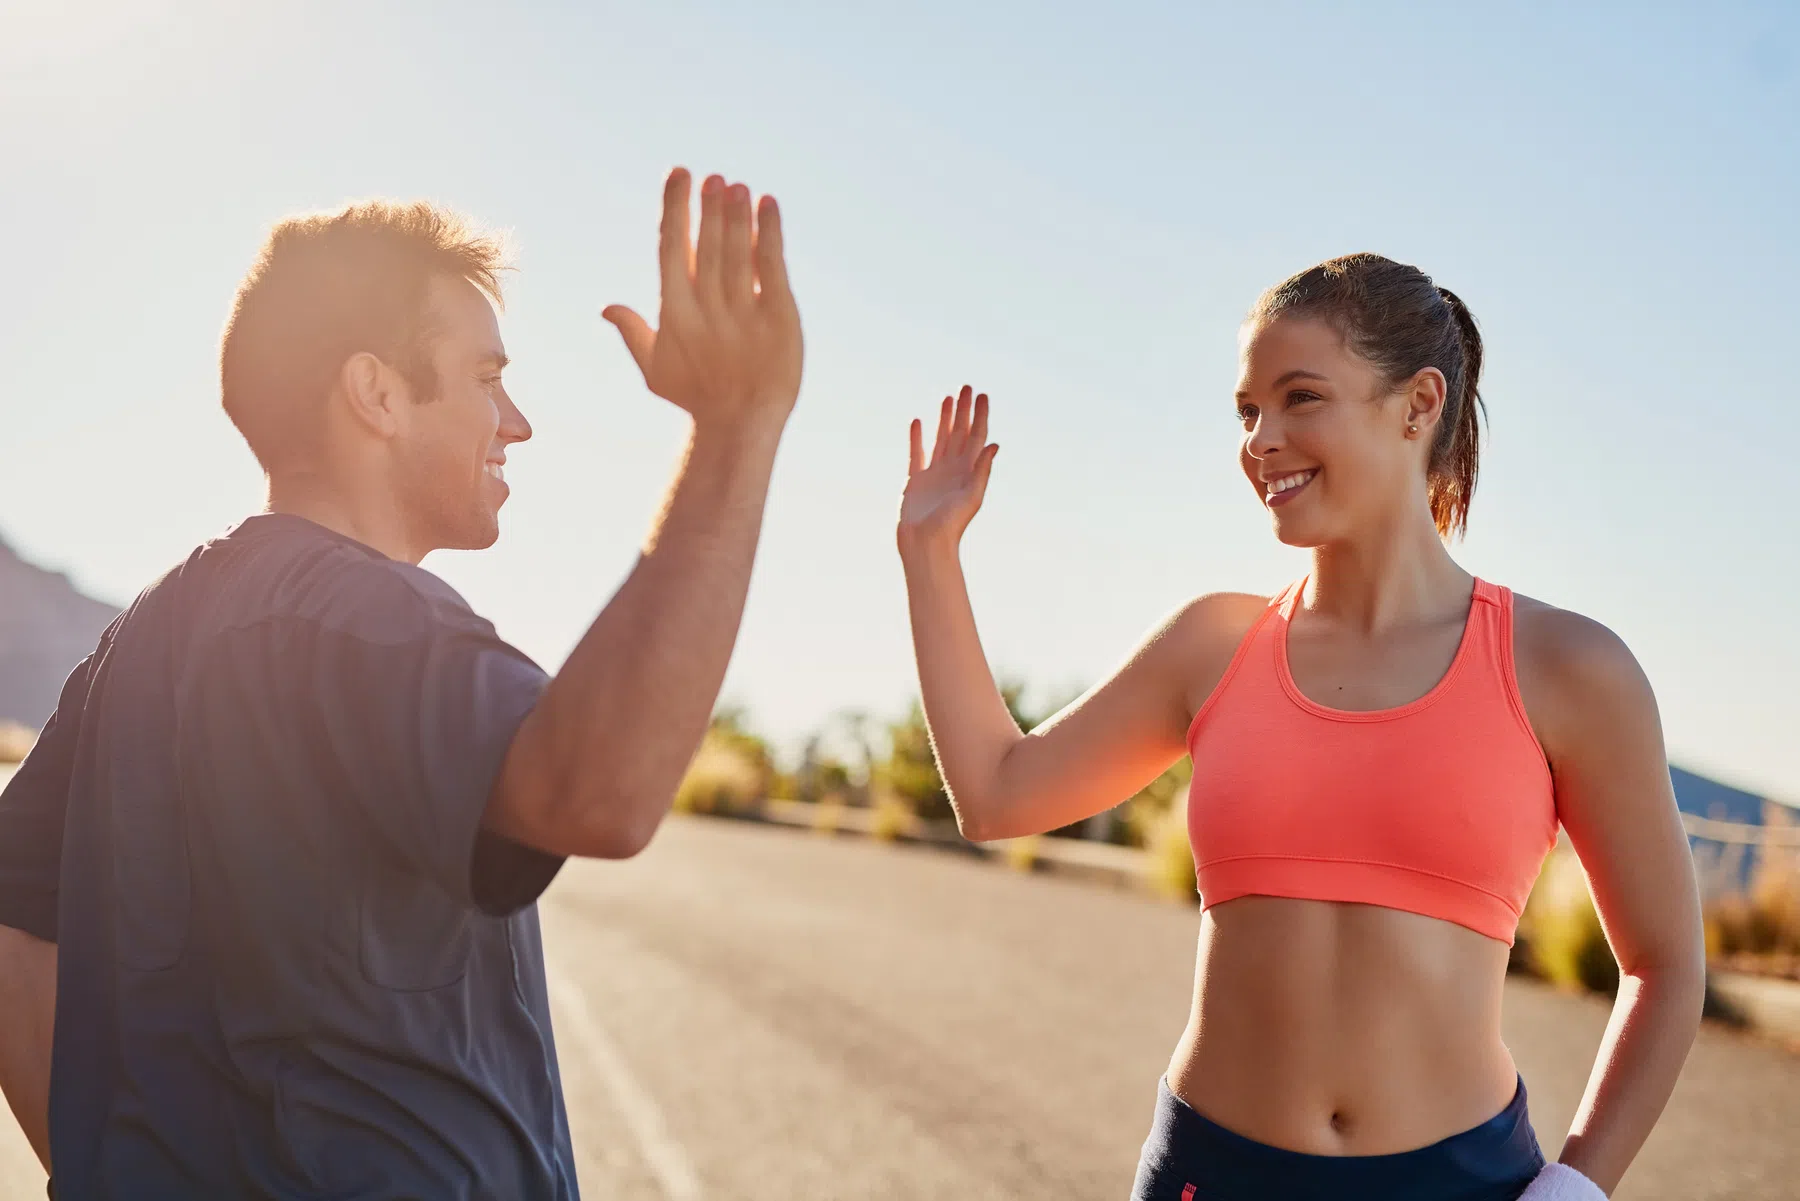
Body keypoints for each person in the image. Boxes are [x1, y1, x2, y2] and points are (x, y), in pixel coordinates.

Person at [0, 167, 802, 1200]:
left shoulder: (145, 638)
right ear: (376, 394)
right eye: (486, 378)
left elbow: (10, 922)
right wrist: (737, 428)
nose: (515, 421)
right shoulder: (367, 617)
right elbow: (598, 792)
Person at [896, 254, 1704, 1201]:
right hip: (1211, 1176)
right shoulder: (1214, 646)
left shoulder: (1568, 668)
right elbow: (996, 793)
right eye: (1247, 410)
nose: (1261, 440)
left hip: (1462, 1184)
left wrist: (1578, 1187)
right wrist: (928, 552)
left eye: (1300, 397)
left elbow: (1664, 964)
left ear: (1418, 404)